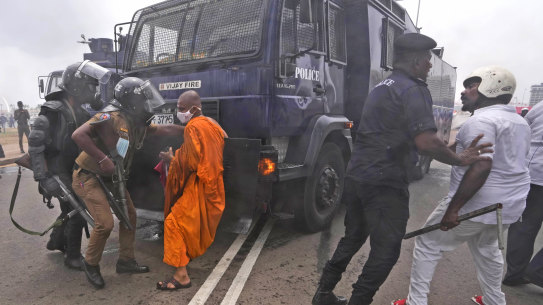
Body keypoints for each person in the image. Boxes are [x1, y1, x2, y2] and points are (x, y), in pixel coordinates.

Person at [312, 33, 493, 305]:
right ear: (416, 60)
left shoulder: (383, 85)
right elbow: (425, 142)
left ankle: (323, 294)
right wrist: (460, 158)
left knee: (353, 237)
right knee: (386, 252)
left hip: (359, 175)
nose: (431, 66)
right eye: (428, 60)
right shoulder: (414, 89)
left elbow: (394, 132)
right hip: (385, 183)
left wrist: (447, 146)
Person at [392, 66, 530, 305]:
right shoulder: (519, 122)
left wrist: (453, 210)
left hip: (477, 204)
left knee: (428, 244)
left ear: (491, 88)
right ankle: (494, 301)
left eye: (471, 86)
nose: (464, 92)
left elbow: (481, 167)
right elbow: (470, 154)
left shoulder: (481, 121)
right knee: (489, 251)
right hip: (509, 205)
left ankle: (416, 302)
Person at [71, 77, 184, 289]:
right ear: (132, 101)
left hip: (113, 178)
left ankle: (125, 261)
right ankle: (91, 264)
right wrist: (103, 159)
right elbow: (79, 135)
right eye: (144, 100)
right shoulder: (108, 116)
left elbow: (164, 129)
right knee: (105, 224)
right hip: (88, 177)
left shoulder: (136, 122)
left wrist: (190, 129)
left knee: (129, 216)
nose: (147, 105)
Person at [28, 61, 112, 269]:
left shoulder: (77, 110)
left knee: (70, 207)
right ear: (77, 86)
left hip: (71, 167)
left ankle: (56, 241)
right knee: (78, 207)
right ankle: (72, 256)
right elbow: (35, 146)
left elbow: (94, 126)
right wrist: (43, 178)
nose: (93, 90)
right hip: (57, 170)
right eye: (90, 86)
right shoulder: (53, 111)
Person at [155, 90, 227, 290]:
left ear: (194, 109)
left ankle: (181, 276)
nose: (179, 112)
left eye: (181, 109)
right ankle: (183, 261)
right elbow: (221, 140)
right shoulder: (212, 123)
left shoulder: (193, 127)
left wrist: (172, 159)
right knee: (189, 225)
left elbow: (192, 162)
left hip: (200, 185)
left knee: (172, 223)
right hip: (214, 184)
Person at [503, 99, 543, 289]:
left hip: (534, 172)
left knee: (524, 227)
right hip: (536, 173)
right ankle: (538, 271)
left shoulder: (540, 106)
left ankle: (515, 274)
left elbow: (525, 129)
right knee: (524, 227)